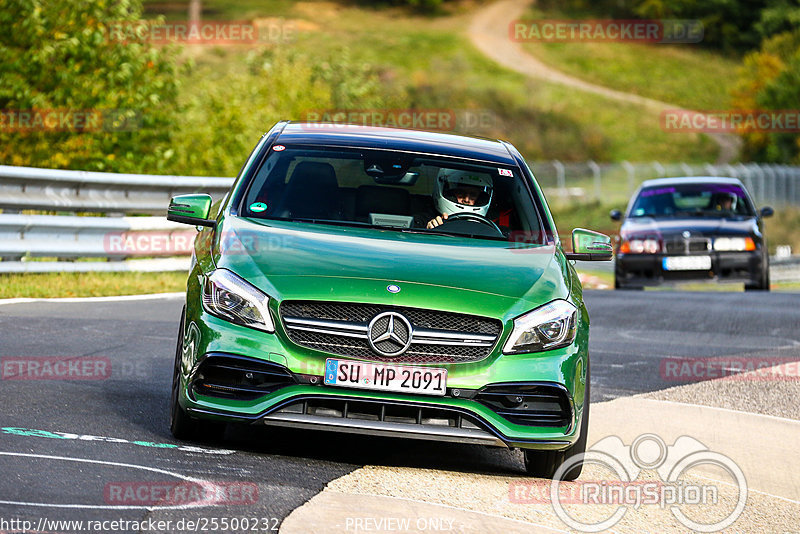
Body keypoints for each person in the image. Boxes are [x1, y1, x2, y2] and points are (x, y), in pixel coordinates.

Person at [426, 169, 493, 229]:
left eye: (473, 195)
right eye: (461, 193)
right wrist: (431, 231)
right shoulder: (426, 218)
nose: (466, 200)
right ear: (451, 194)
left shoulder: (489, 226)